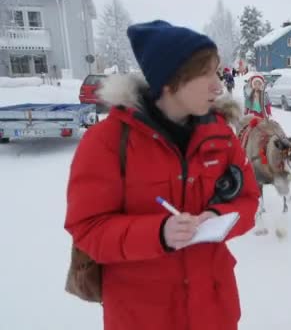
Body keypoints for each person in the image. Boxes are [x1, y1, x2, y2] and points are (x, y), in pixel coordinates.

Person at [64, 20, 260, 330]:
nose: (218, 85)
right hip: (142, 316)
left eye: (216, 72)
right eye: (205, 73)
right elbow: (88, 229)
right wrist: (159, 233)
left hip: (214, 311)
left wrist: (216, 215)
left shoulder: (221, 135)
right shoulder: (106, 141)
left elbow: (249, 199)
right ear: (171, 81)